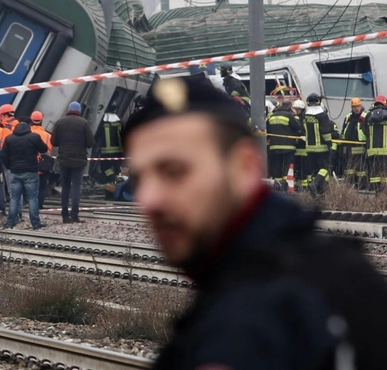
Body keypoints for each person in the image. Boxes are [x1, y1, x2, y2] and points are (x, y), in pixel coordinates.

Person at [123, 76, 387, 370]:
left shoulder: (254, 317)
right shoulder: (326, 270)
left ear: (245, 166)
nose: (149, 200)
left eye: (174, 171)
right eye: (139, 179)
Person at [51, 101, 95, 224]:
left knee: (65, 186)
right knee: (76, 186)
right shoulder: (84, 123)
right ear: (79, 111)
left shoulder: (60, 122)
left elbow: (54, 141)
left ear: (69, 110)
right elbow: (91, 143)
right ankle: (74, 215)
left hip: (64, 160)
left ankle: (65, 215)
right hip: (79, 161)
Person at [2, 121, 48, 229]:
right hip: (31, 172)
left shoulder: (9, 139)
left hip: (15, 172)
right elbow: (44, 149)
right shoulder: (34, 137)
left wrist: (10, 166)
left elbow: (3, 155)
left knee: (14, 198)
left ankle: (10, 222)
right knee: (32, 198)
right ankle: (35, 223)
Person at [266, 100, 304, 190]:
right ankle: (285, 185)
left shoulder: (272, 116)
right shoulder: (289, 115)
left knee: (277, 166)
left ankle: (278, 186)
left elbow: (268, 130)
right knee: (287, 167)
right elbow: (298, 126)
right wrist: (295, 116)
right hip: (288, 147)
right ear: (289, 107)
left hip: (274, 147)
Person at [304, 93, 335, 194]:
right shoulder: (322, 115)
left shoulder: (306, 115)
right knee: (325, 168)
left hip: (309, 147)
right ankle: (315, 184)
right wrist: (329, 144)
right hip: (321, 148)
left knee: (315, 170)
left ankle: (316, 192)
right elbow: (325, 132)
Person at [341, 98, 368, 188]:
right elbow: (344, 130)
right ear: (352, 107)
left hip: (360, 148)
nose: (356, 108)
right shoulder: (348, 117)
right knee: (349, 170)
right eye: (354, 107)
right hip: (349, 149)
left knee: (361, 170)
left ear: (360, 106)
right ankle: (349, 188)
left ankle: (362, 186)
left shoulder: (365, 116)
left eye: (358, 106)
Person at [30, 111, 54, 210]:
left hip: (29, 165)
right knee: (41, 187)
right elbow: (49, 150)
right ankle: (39, 205)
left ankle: (28, 204)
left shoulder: (27, 133)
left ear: (31, 120)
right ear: (41, 121)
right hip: (42, 165)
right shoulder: (48, 135)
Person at [364, 95, 387, 191]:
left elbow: (364, 130)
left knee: (374, 176)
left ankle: (377, 196)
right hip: (386, 152)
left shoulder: (368, 115)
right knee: (385, 175)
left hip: (372, 152)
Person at [99, 105, 124, 183]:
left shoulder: (103, 122)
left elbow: (98, 135)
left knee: (105, 167)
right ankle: (118, 181)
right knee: (117, 167)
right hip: (118, 151)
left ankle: (111, 179)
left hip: (106, 151)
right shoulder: (119, 121)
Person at [292, 99, 308, 190]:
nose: (297, 111)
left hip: (304, 148)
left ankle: (304, 187)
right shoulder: (295, 118)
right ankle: (296, 186)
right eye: (296, 109)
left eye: (298, 109)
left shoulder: (304, 118)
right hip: (296, 148)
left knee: (304, 169)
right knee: (296, 168)